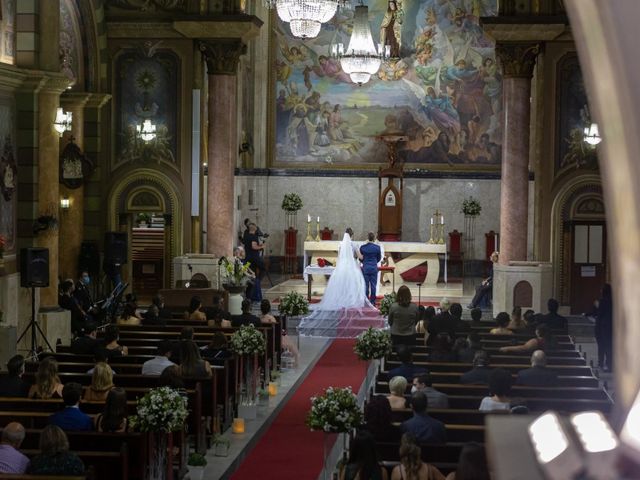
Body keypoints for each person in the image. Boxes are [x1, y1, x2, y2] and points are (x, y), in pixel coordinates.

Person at [298, 230, 384, 337]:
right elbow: (361, 257)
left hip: (342, 267)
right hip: (354, 267)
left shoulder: (341, 244)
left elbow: (341, 256)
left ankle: (343, 297)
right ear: (352, 235)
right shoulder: (355, 245)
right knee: (357, 284)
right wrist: (362, 259)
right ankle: (363, 300)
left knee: (343, 283)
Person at [593, 283, 613, 371]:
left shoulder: (602, 301)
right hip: (612, 326)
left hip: (603, 326)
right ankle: (610, 365)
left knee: (601, 346)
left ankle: (601, 363)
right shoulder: (614, 300)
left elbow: (600, 314)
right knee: (610, 346)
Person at [360, 232, 382, 305]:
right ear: (374, 238)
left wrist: (365, 262)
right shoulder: (377, 248)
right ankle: (372, 302)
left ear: (367, 238)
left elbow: (361, 258)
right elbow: (379, 258)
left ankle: (366, 302)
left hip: (365, 268)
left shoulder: (363, 247)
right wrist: (374, 262)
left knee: (365, 285)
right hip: (373, 268)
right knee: (373, 286)